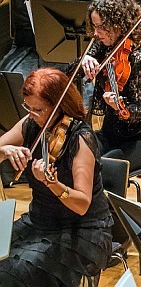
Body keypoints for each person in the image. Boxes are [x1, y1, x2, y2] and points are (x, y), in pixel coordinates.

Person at [0, 68, 112, 286]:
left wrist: (52, 184)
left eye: (38, 110)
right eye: (28, 108)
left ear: (58, 105)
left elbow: (82, 204)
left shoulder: (81, 139)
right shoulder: (30, 124)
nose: (32, 115)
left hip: (80, 231)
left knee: (10, 276)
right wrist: (5, 151)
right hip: (39, 221)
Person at [75, 0, 141, 171]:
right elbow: (70, 73)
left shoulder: (140, 58)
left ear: (119, 25)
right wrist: (84, 60)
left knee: (103, 167)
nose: (96, 33)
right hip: (110, 135)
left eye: (101, 27)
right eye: (94, 26)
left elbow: (138, 114)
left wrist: (119, 108)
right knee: (74, 155)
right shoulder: (104, 45)